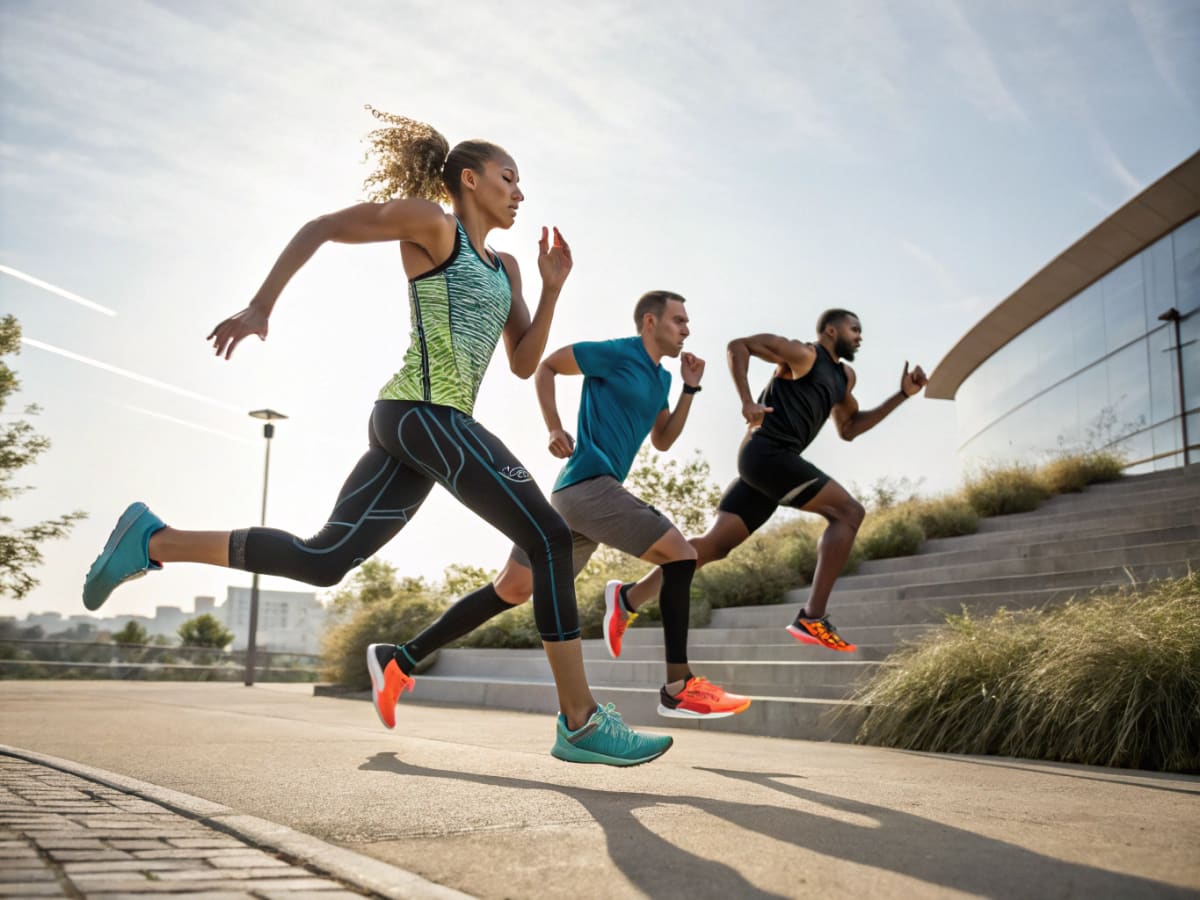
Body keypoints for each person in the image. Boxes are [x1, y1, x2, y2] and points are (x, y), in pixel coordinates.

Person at [81, 107, 672, 767]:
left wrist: (552, 289)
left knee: (324, 558)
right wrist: (261, 306)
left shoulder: (505, 269)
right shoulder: (432, 225)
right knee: (551, 537)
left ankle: (152, 538)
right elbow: (323, 228)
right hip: (422, 413)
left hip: (421, 426)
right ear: (470, 179)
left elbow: (524, 361)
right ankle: (581, 720)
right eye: (509, 178)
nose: (520, 193)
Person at [368, 291, 751, 722]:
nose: (686, 329)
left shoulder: (660, 378)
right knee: (682, 555)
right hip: (589, 485)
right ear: (650, 321)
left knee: (511, 588)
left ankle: (399, 658)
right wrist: (554, 426)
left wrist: (689, 389)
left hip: (581, 502)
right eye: (679, 320)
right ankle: (678, 686)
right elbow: (548, 366)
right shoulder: (614, 353)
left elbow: (663, 438)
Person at [611, 309, 927, 653]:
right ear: (831, 331)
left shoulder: (844, 378)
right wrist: (747, 400)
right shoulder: (804, 355)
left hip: (770, 466)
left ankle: (628, 597)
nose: (860, 336)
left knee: (712, 547)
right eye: (854, 330)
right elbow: (739, 346)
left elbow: (849, 428)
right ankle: (813, 617)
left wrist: (902, 396)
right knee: (848, 513)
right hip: (767, 454)